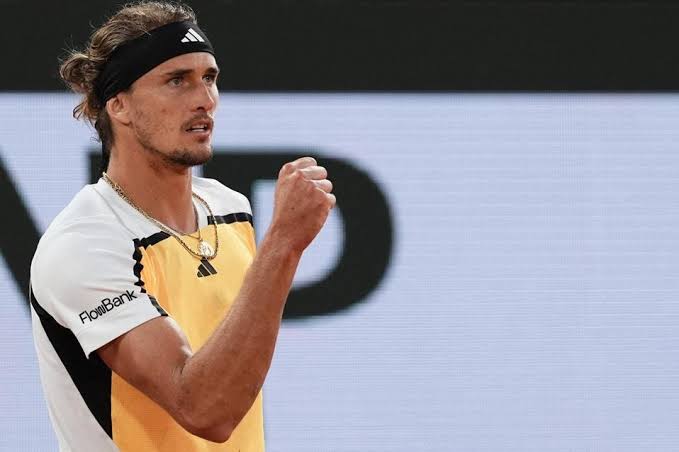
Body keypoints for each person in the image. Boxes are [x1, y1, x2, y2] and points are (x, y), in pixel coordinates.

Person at [29, 2, 335, 451]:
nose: (205, 99)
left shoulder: (229, 208)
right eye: (177, 80)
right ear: (119, 105)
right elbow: (204, 409)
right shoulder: (84, 245)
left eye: (209, 77)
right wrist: (284, 244)